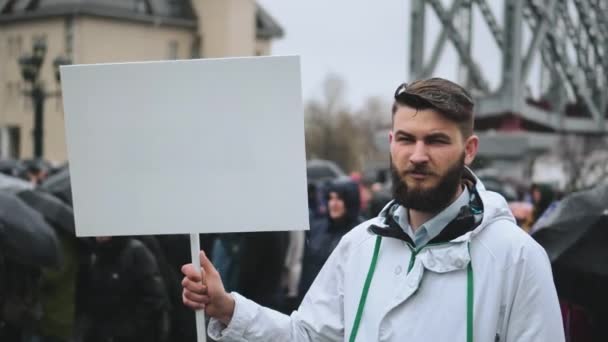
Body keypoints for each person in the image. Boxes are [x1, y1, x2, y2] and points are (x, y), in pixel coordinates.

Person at [181, 78, 565, 341]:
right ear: (391, 142)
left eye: (435, 141)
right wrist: (229, 309)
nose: (417, 155)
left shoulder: (517, 258)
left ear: (469, 150)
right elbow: (310, 336)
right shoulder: (361, 245)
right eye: (406, 139)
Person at [298, 178, 363, 300]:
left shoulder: (361, 232)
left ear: (350, 202)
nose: (333, 203)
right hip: (312, 300)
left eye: (339, 199)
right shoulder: (318, 228)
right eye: (331, 198)